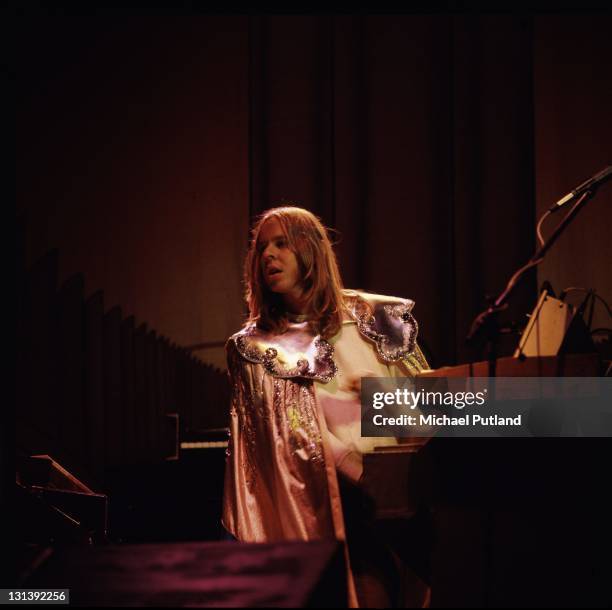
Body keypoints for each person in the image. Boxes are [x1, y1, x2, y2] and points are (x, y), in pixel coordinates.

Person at [222, 206, 431, 607]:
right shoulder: (254, 347)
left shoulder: (375, 317)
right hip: (337, 504)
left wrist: (379, 406)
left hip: (406, 492)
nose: (268, 255)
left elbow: (423, 400)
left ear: (310, 249)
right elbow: (283, 436)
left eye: (281, 243)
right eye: (262, 247)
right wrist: (357, 468)